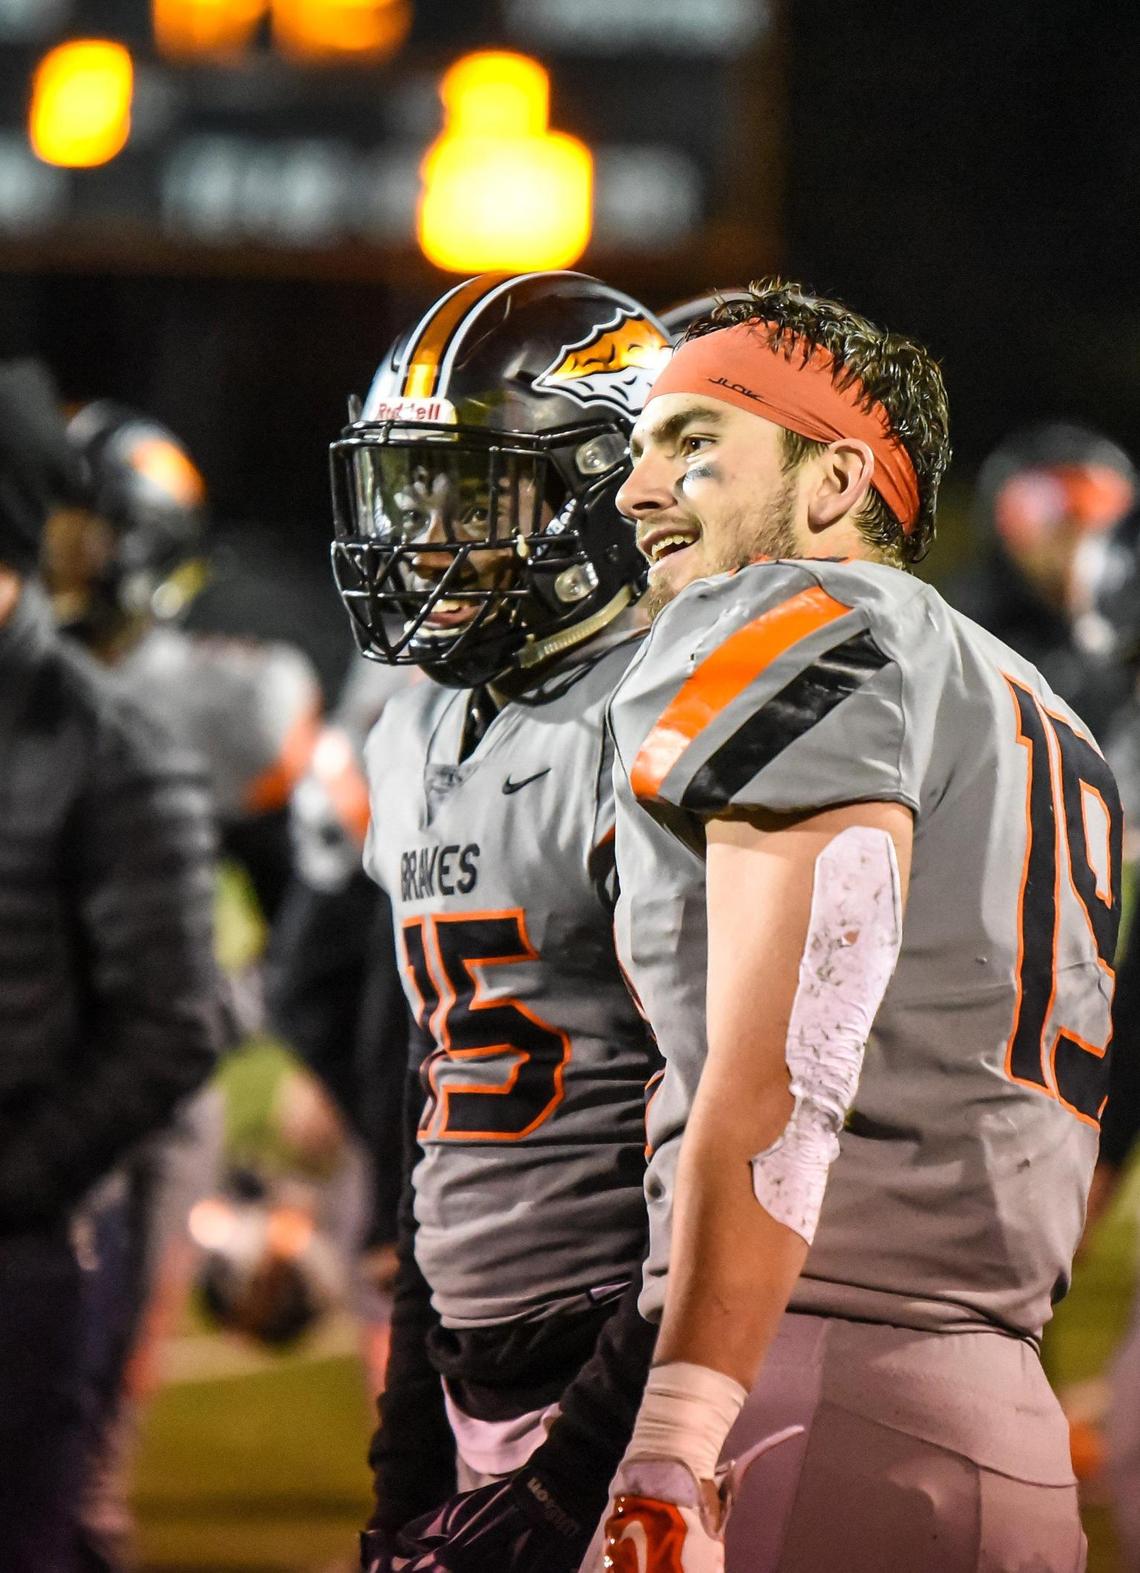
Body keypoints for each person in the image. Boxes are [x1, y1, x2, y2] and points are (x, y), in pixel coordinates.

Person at [598, 282, 1118, 1572]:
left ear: (834, 480)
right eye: (639, 447)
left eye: (693, 443)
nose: (634, 489)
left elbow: (792, 1060)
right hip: (986, 1402)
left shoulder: (801, 624)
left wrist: (675, 1432)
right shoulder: (1038, 701)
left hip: (801, 1393)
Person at [329, 270, 671, 1572]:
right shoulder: (415, 724)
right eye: (410, 490)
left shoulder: (655, 717)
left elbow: (725, 1134)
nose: (422, 537)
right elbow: (444, 1103)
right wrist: (405, 1469)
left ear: (603, 487)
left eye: (471, 492)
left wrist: (581, 1464)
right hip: (476, 1342)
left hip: (621, 1354)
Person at [41, 400, 321, 1569]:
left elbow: (314, 898)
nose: (50, 554)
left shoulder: (225, 696)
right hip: (29, 1061)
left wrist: (235, 1018)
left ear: (140, 542)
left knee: (81, 1416)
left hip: (140, 1096)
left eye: (75, 532)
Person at [0, 359, 226, 1571]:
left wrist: (17, 1181)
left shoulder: (131, 726)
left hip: (55, 1203)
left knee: (66, 1493)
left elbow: (173, 1023)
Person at [948, 420, 1136, 741]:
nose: (1074, 539)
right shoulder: (958, 632)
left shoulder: (1125, 628)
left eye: (1095, 514)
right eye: (1048, 513)